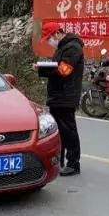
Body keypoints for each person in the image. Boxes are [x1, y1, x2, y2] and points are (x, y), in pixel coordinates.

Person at [35, 22, 84, 176]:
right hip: (57, 96)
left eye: (49, 38)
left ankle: (73, 163)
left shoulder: (73, 48)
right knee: (59, 131)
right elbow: (55, 67)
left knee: (69, 131)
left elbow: (64, 70)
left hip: (66, 96)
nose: (49, 42)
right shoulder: (62, 48)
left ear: (57, 33)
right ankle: (59, 160)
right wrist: (42, 68)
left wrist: (42, 70)